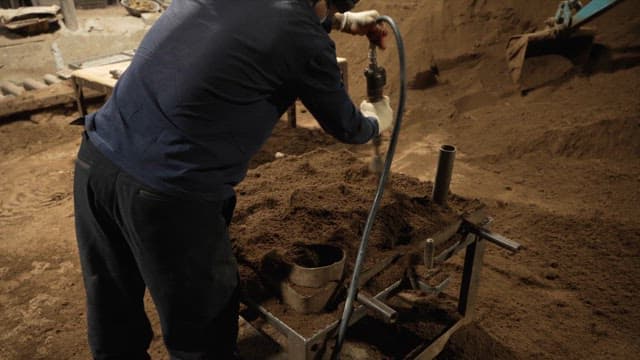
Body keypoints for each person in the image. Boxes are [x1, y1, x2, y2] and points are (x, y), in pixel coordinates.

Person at [72, 0, 393, 359]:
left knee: (114, 319)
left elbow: (263, 19)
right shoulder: (303, 37)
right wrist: (375, 119)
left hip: (96, 159)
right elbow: (347, 126)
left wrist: (338, 20)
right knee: (203, 337)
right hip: (168, 194)